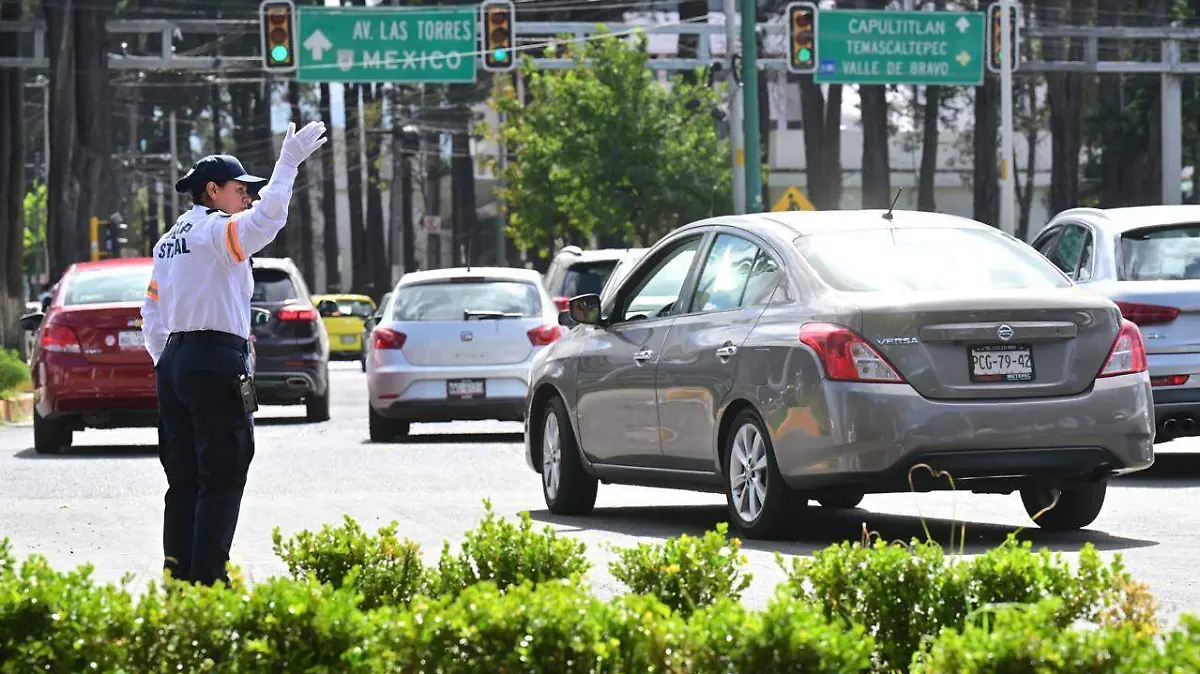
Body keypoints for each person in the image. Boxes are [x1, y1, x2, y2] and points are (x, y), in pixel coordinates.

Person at [140, 120, 327, 585]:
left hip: (176, 361)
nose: (246, 195)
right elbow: (267, 221)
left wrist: (170, 360)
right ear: (211, 191)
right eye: (239, 187)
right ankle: (208, 581)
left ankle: (178, 576)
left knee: (182, 479)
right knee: (223, 474)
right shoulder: (214, 233)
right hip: (212, 359)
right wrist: (287, 165)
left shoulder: (168, 242)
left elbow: (151, 314)